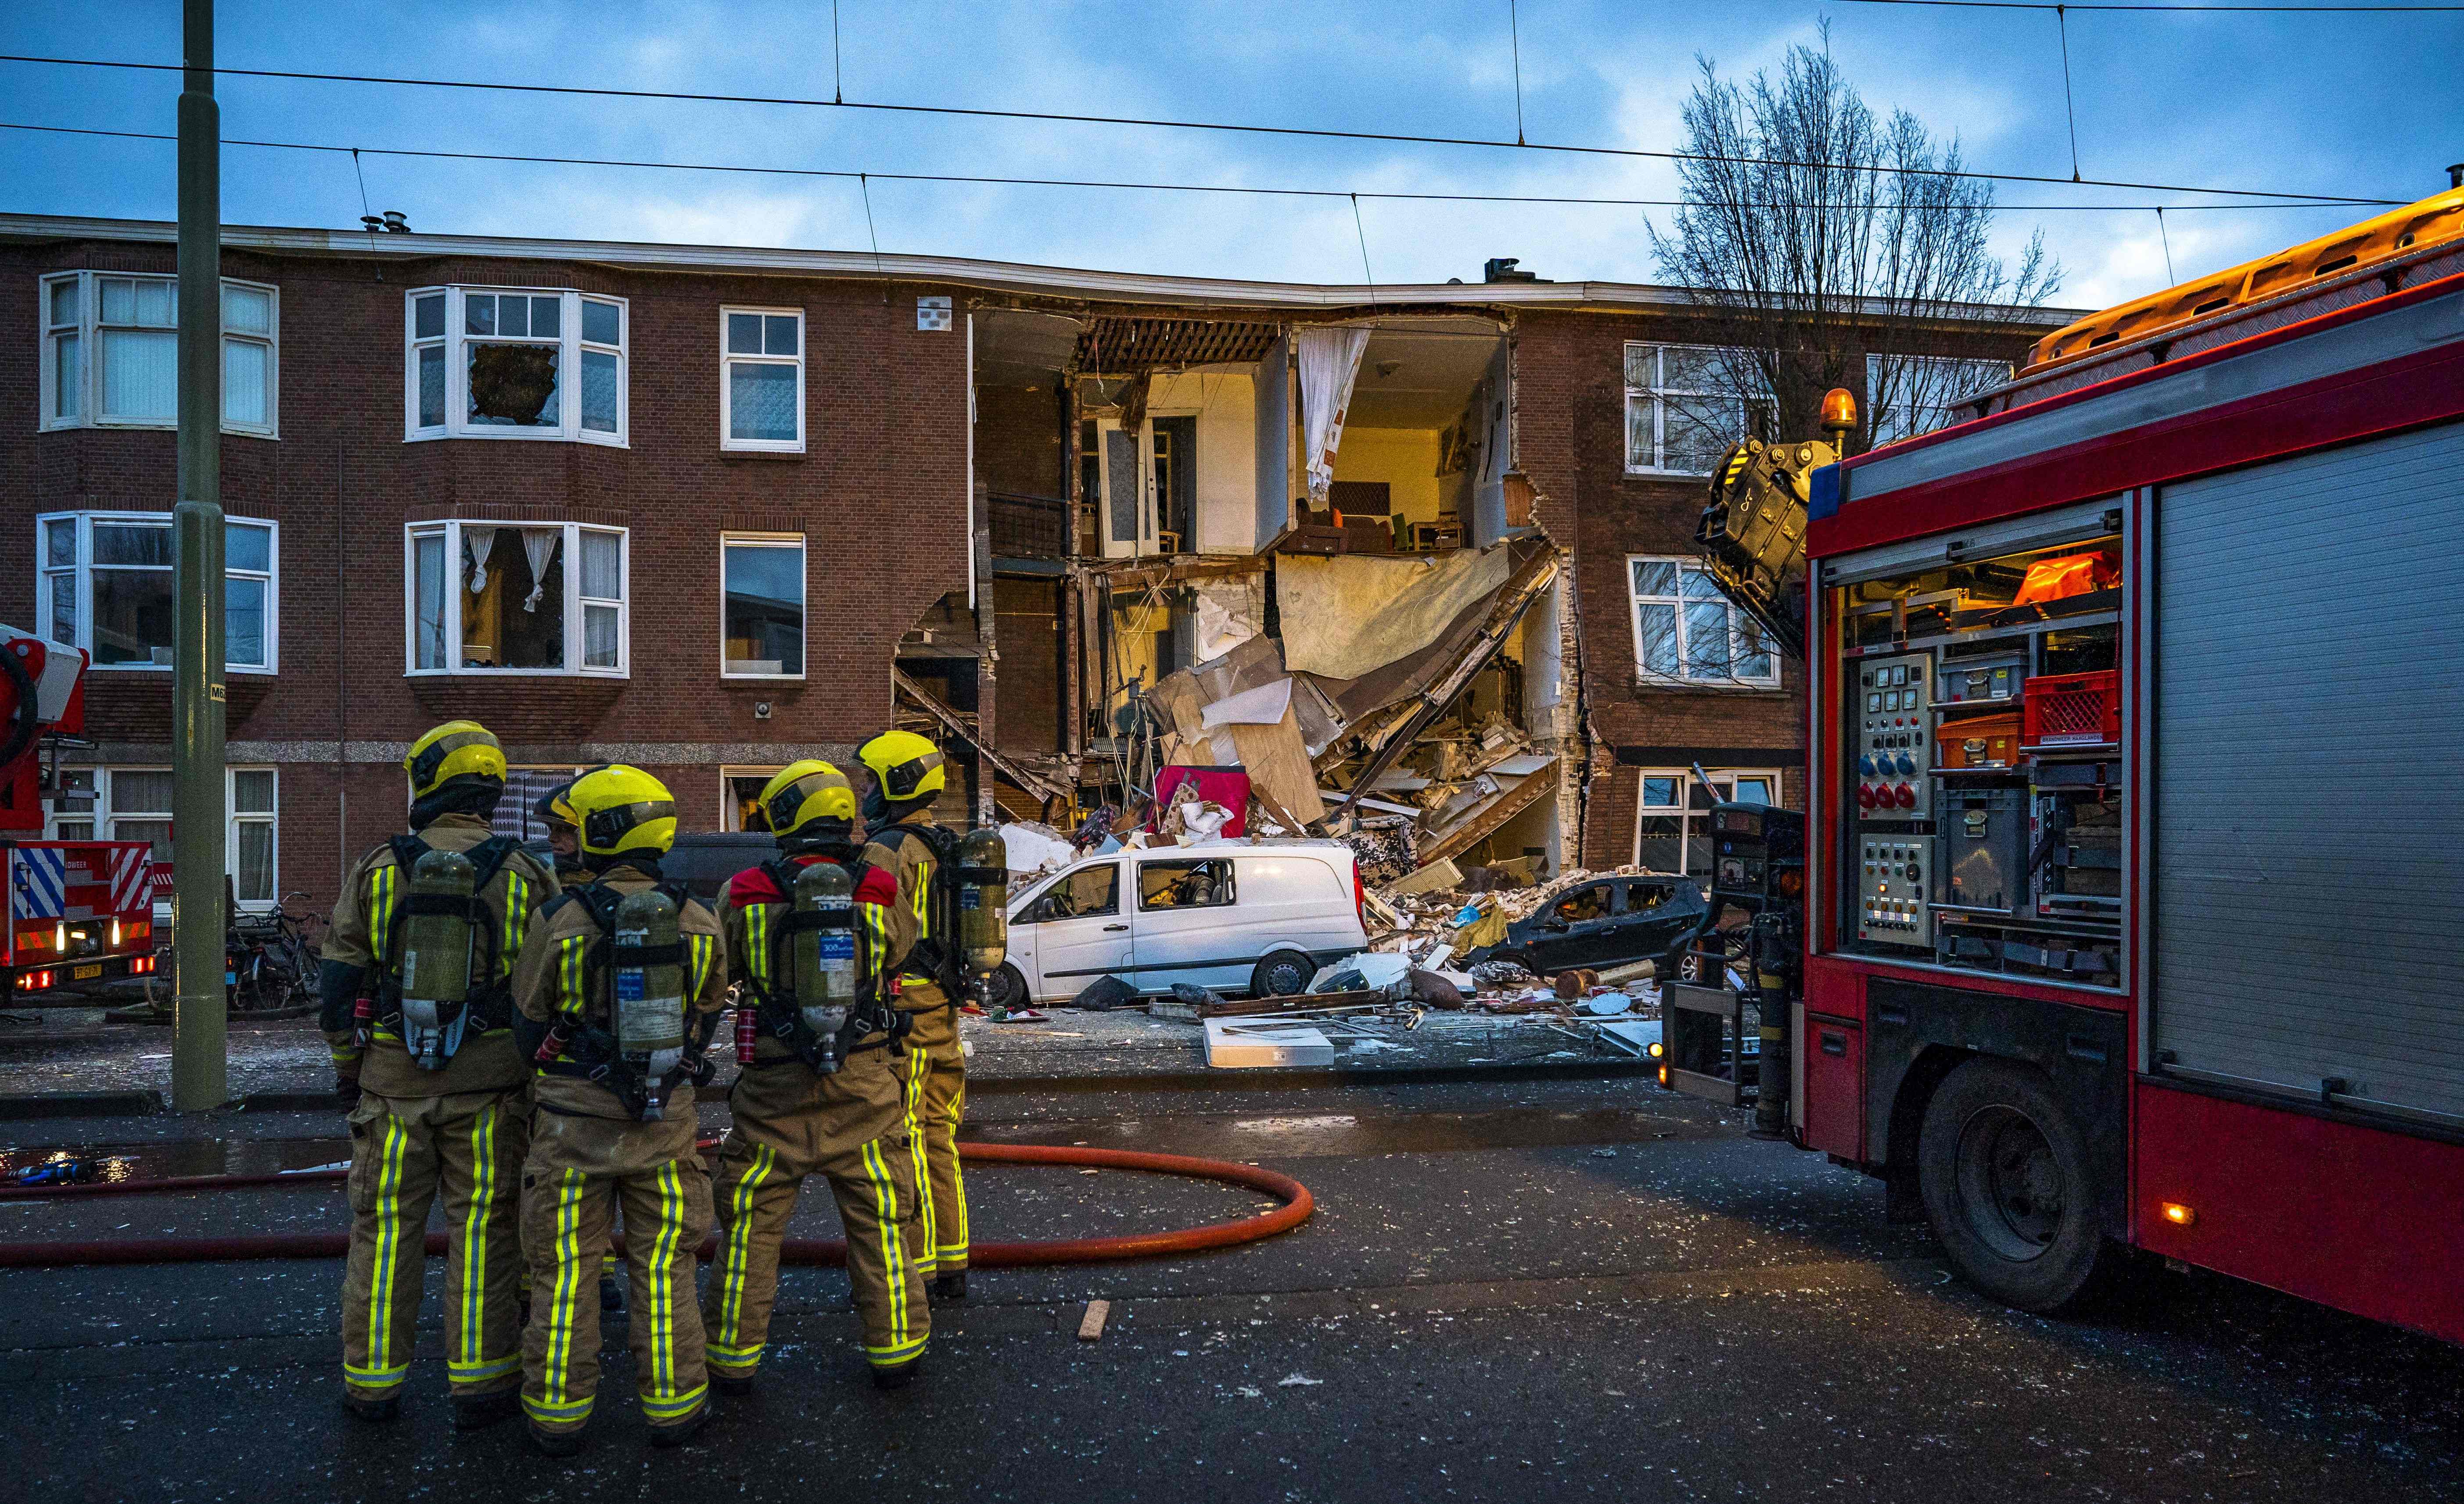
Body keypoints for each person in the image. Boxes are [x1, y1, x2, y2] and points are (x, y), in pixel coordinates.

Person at [318, 720, 560, 1430]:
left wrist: (348, 1067)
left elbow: (339, 985)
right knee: (484, 1231)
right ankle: (481, 1386)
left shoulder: (377, 868)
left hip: (392, 1089)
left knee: (384, 1231)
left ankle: (372, 1384)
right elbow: (548, 990)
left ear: (426, 783)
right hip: (492, 1091)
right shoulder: (526, 872)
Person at [508, 765, 728, 1455]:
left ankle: (558, 1416)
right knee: (665, 1268)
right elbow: (706, 1017)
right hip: (664, 1123)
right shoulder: (699, 921)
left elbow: (527, 1027)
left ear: (602, 832)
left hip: (571, 1126)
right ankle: (675, 1408)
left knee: (564, 1270)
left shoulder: (559, 920)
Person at [703, 761, 929, 1392]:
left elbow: (718, 971)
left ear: (784, 818)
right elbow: (901, 949)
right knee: (880, 1223)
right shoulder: (879, 885)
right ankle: (897, 1349)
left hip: (772, 1088)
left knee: (749, 1228)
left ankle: (732, 1357)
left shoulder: (744, 890)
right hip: (863, 1082)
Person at [852, 730, 971, 1301]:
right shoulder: (948, 843)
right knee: (941, 1134)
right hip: (942, 1005)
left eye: (870, 782)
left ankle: (918, 1267)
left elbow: (868, 939)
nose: (864, 794)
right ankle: (952, 1260)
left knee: (909, 1135)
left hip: (905, 1009)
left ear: (896, 784)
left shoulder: (886, 851)